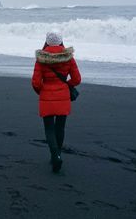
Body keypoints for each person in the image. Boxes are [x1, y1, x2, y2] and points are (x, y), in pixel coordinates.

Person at [32, 30, 81, 172]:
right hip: (63, 97)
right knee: (60, 128)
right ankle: (58, 154)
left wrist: (41, 91)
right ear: (61, 41)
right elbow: (77, 79)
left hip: (46, 96)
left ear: (47, 41)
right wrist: (67, 86)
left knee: (49, 129)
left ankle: (55, 156)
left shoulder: (41, 58)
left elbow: (36, 82)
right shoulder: (68, 57)